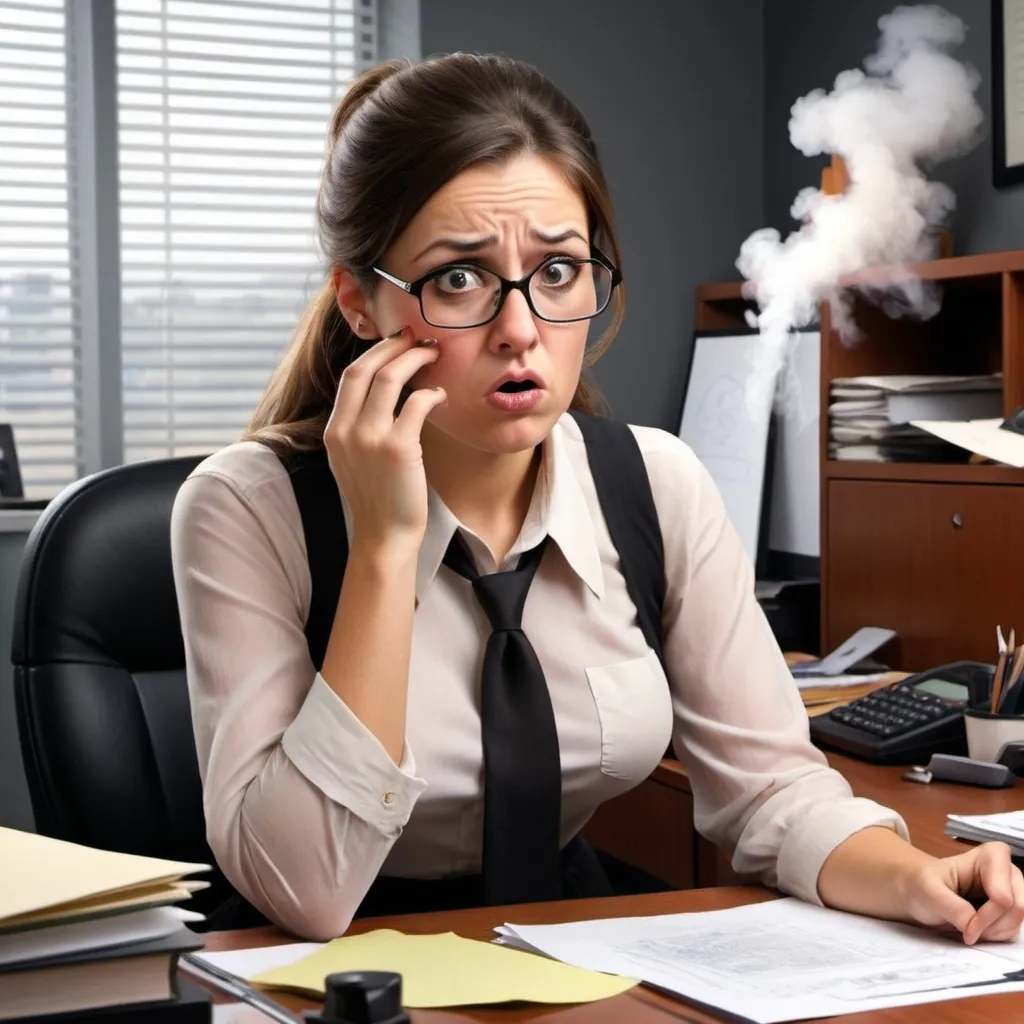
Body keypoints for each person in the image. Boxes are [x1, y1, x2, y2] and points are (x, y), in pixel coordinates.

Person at [171, 52, 1024, 943]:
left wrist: (915, 875)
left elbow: (773, 790)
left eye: (558, 272)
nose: (520, 331)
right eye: (458, 278)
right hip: (328, 971)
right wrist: (385, 548)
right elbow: (301, 889)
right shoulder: (248, 509)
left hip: (567, 949)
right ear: (359, 303)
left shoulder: (655, 485)